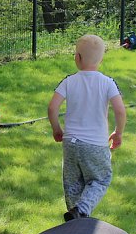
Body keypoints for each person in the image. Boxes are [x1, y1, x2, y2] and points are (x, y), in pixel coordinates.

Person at [48, 35, 126, 222]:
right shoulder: (108, 82)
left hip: (70, 144)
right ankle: (82, 210)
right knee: (100, 179)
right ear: (101, 59)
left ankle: (75, 218)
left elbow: (52, 108)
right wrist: (118, 133)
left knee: (72, 184)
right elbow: (120, 111)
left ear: (77, 58)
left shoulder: (68, 81)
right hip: (95, 145)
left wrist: (57, 129)